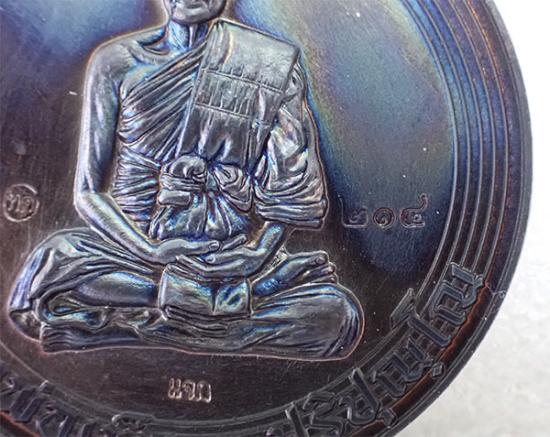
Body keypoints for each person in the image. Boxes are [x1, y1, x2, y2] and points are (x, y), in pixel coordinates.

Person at [8, 0, 364, 361]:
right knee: (55, 262)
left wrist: (257, 255)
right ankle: (218, 312)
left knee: (338, 317)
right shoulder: (115, 62)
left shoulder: (269, 65)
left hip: (232, 257)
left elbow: (292, 194)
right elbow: (88, 193)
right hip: (133, 253)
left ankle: (135, 323)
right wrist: (151, 251)